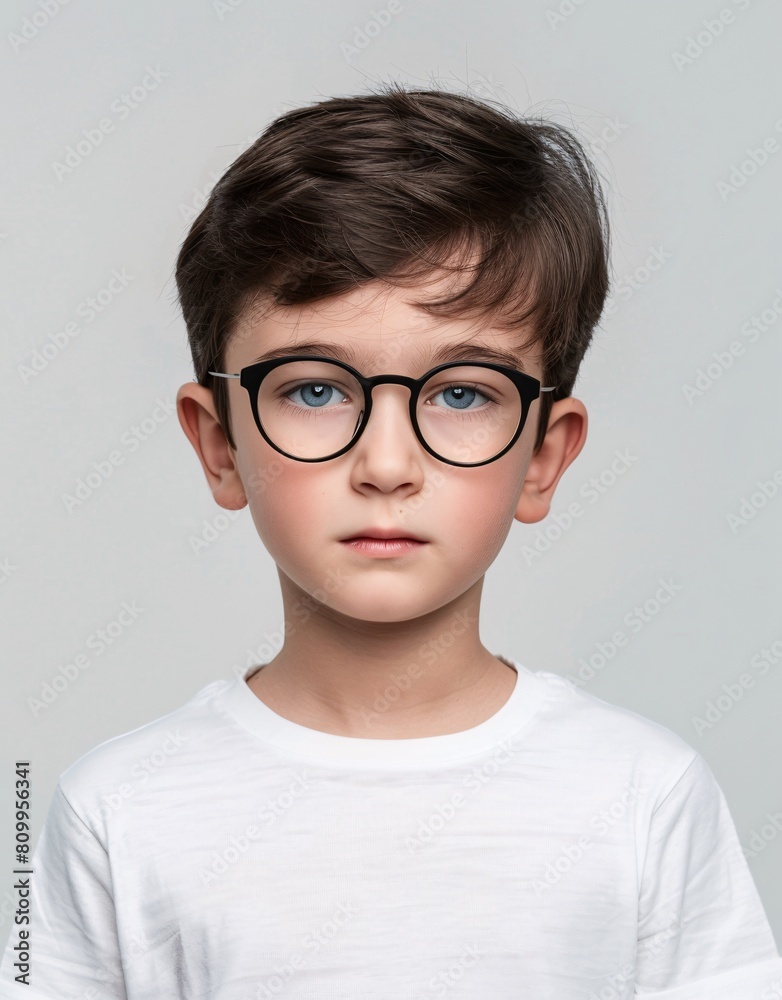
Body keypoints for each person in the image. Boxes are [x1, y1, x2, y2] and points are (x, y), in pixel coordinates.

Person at [2, 83, 780, 1000]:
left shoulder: (646, 794)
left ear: (543, 457)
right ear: (219, 444)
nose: (386, 464)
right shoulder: (113, 809)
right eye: (315, 388)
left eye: (461, 394)